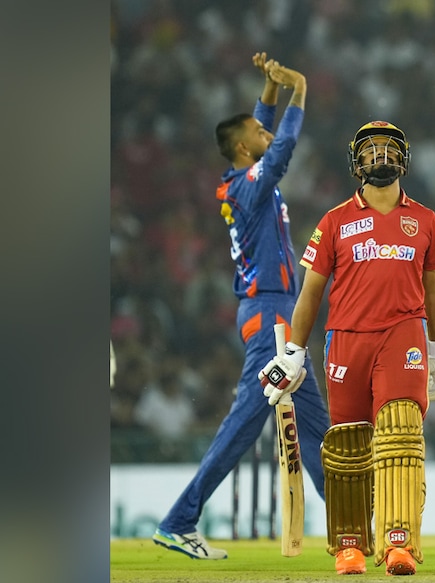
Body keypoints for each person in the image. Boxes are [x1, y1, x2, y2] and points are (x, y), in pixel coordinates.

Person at [152, 53, 332, 561]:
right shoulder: (248, 186)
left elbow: (264, 131)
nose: (266, 132)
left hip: (281, 313)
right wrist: (299, 90)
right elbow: (282, 149)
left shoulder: (243, 180)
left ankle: (346, 528)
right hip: (270, 314)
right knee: (247, 421)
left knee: (315, 422)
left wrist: (270, 89)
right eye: (257, 131)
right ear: (240, 147)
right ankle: (179, 519)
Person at [258, 119, 435, 576]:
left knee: (402, 431)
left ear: (402, 159)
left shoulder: (424, 219)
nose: (380, 158)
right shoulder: (334, 222)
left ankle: (399, 543)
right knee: (347, 444)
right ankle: (350, 544)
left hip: (403, 333)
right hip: (345, 338)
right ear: (356, 162)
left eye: (388, 149)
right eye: (370, 151)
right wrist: (293, 352)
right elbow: (310, 294)